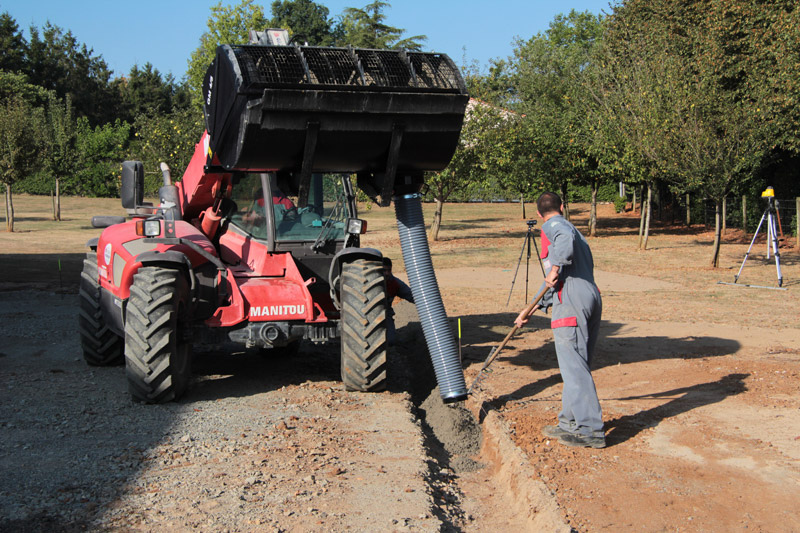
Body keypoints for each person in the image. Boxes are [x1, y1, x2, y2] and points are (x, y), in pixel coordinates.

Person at [514, 191, 605, 449]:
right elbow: (553, 284)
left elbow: (559, 260)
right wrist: (528, 310)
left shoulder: (554, 226)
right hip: (587, 294)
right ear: (563, 206)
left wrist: (554, 267)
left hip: (572, 300)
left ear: (538, 214)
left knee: (574, 367)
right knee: (574, 364)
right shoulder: (575, 230)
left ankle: (589, 430)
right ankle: (570, 422)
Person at [383, 257, 414, 346]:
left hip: (386, 313)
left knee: (391, 341)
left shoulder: (395, 283)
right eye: (384, 270)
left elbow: (411, 296)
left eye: (389, 270)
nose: (387, 273)